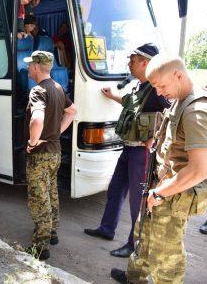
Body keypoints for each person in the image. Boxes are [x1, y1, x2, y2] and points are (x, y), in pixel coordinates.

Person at [110, 55, 207, 283]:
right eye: (154, 87)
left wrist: (160, 193)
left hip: (173, 195)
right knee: (143, 239)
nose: (158, 93)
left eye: (161, 86)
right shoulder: (178, 98)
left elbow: (199, 170)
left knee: (167, 260)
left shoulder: (196, 111)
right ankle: (135, 278)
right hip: (160, 187)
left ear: (178, 75)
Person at [84, 43, 170, 258]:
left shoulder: (157, 89)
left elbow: (171, 116)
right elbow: (133, 105)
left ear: (145, 63)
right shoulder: (141, 86)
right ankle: (106, 229)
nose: (129, 65)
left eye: (132, 61)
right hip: (128, 149)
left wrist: (154, 138)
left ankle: (134, 245)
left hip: (141, 153)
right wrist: (112, 96)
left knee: (137, 202)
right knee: (115, 190)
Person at [24, 51, 77, 260]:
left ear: (36, 67)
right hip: (55, 152)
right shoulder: (57, 87)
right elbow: (72, 111)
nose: (28, 68)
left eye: (30, 65)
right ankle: (53, 232)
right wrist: (57, 132)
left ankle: (40, 246)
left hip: (40, 154)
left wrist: (32, 142)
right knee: (51, 192)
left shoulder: (37, 90)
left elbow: (37, 119)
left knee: (39, 198)